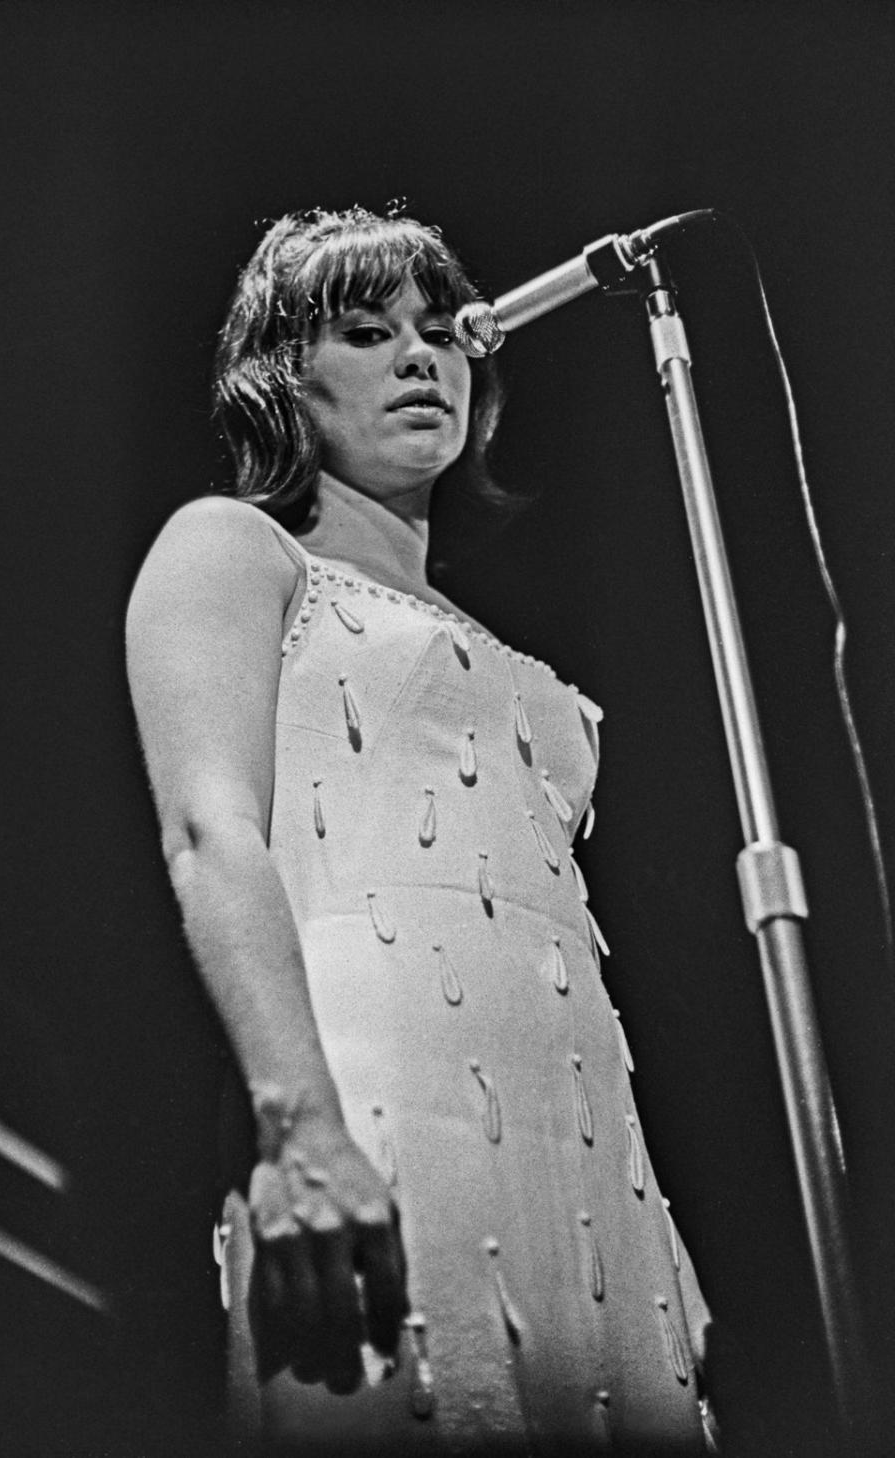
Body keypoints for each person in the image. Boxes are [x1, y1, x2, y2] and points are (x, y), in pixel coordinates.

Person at [125, 206, 717, 1455]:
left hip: (585, 1148)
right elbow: (209, 830)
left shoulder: (510, 646)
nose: (420, 356)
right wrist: (302, 1135)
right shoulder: (234, 550)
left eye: (442, 332)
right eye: (365, 329)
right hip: (378, 1106)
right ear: (282, 372)